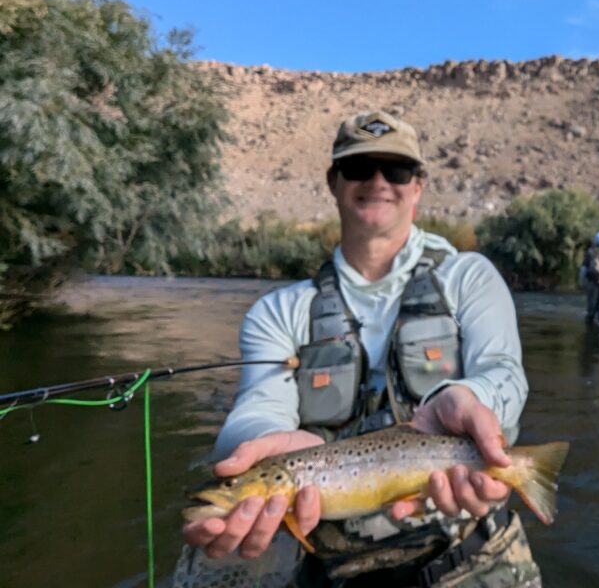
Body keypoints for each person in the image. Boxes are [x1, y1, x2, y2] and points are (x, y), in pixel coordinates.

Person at [178, 111, 541, 587]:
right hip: (329, 574)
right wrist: (252, 447)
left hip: (470, 558)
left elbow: (504, 376)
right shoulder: (279, 311)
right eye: (359, 168)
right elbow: (257, 407)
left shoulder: (469, 277)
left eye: (395, 170)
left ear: (418, 186)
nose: (378, 182)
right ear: (333, 182)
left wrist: (474, 400)